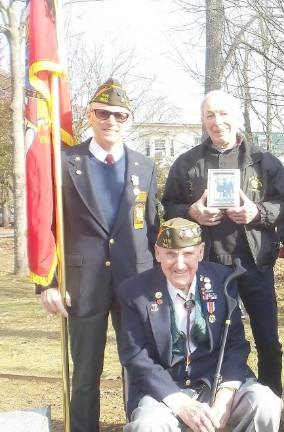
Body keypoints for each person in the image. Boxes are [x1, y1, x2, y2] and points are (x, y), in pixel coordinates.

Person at [37, 78, 159, 432]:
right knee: (85, 373)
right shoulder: (64, 163)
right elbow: (46, 226)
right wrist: (48, 282)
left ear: (130, 121)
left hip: (135, 282)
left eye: (120, 115)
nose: (111, 121)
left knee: (138, 366)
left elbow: (152, 229)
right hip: (82, 283)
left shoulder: (144, 167)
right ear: (89, 116)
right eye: (103, 113)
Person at [161, 90, 284, 397]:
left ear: (235, 117)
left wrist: (257, 212)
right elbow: (168, 207)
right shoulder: (187, 163)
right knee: (210, 340)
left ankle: (269, 406)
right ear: (203, 120)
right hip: (206, 268)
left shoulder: (264, 162)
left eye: (223, 114)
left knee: (268, 341)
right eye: (210, 115)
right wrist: (191, 212)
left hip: (254, 264)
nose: (217, 122)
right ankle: (211, 403)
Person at [118, 218, 282, 432]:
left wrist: (225, 396)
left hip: (217, 381)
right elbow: (136, 358)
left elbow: (234, 344)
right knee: (146, 426)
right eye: (170, 254)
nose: (179, 264)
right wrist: (181, 404)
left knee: (266, 403)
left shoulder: (223, 280)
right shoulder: (134, 292)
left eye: (187, 254)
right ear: (157, 253)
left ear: (201, 252)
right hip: (165, 390)